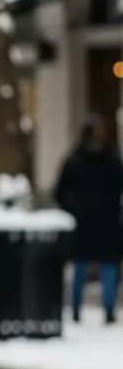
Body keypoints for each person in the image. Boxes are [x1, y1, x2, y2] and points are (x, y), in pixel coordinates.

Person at [54, 116, 123, 323]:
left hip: (85, 220)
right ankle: (107, 310)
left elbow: (60, 191)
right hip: (104, 220)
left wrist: (72, 207)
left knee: (82, 267)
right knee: (105, 266)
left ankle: (78, 309)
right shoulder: (112, 160)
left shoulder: (76, 160)